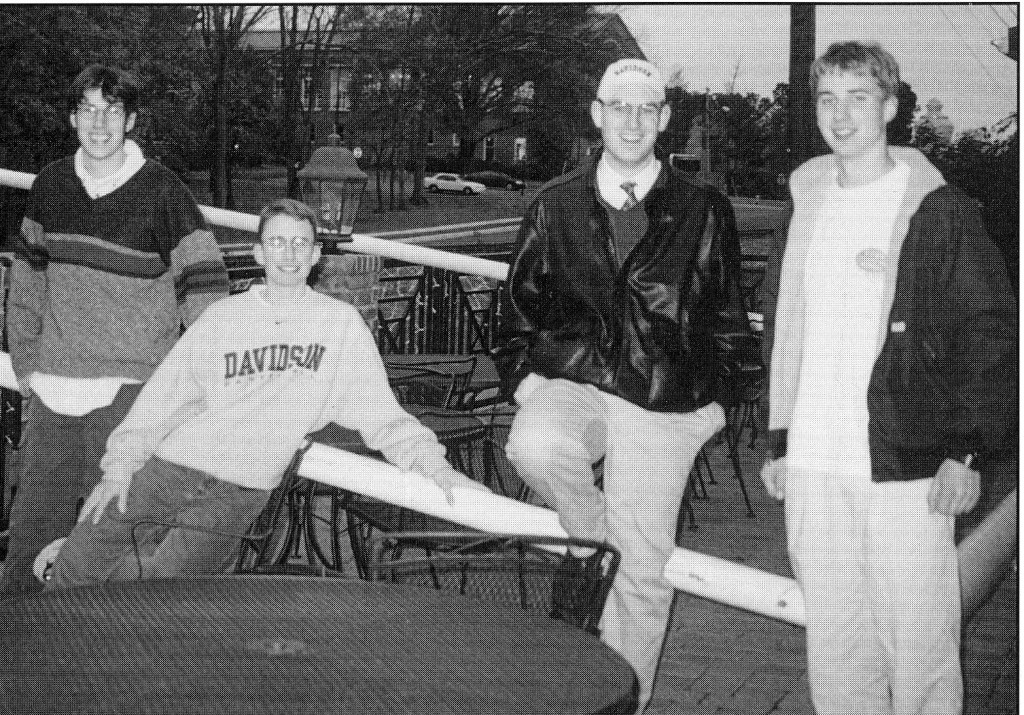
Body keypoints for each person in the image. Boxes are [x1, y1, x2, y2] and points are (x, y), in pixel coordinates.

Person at [760, 42, 1016, 715]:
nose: (841, 114)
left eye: (859, 97)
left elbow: (990, 332)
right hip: (816, 466)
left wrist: (966, 451)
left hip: (907, 467)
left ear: (891, 107)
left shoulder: (939, 209)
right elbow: (783, 329)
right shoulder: (805, 202)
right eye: (827, 98)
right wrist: (781, 439)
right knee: (837, 651)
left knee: (921, 649)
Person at [48, 198, 487, 588]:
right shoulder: (223, 317)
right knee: (76, 567)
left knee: (165, 589)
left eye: (301, 244)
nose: (289, 254)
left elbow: (381, 416)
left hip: (237, 490)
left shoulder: (340, 326)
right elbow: (165, 398)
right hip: (168, 466)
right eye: (277, 242)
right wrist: (120, 467)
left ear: (316, 255)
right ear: (258, 252)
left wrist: (434, 466)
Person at [494, 58, 754, 712]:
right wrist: (525, 381)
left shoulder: (703, 208)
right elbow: (517, 310)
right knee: (533, 446)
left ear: (665, 118)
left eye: (647, 108)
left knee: (643, 576)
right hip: (575, 377)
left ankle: (616, 701)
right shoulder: (554, 204)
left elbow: (727, 317)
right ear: (597, 115)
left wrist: (717, 406)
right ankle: (591, 540)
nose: (632, 121)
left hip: (666, 395)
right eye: (620, 106)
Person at [1, 64, 230, 596]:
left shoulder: (164, 195)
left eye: (112, 111)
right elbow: (28, 278)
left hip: (129, 399)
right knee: (29, 548)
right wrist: (25, 360)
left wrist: (189, 385)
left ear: (130, 120)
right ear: (72, 118)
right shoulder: (52, 184)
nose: (99, 124)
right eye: (87, 110)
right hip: (53, 395)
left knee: (113, 555)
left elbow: (205, 291)